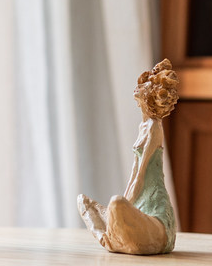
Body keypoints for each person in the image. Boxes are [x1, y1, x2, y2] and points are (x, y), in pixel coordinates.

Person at [77, 59, 179, 255]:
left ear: (148, 95)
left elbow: (141, 174)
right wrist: (126, 201)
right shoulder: (143, 127)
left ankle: (116, 236)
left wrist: (124, 204)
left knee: (116, 204)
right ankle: (115, 235)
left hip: (152, 203)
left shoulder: (154, 127)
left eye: (142, 88)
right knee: (85, 202)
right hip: (137, 198)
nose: (137, 90)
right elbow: (134, 171)